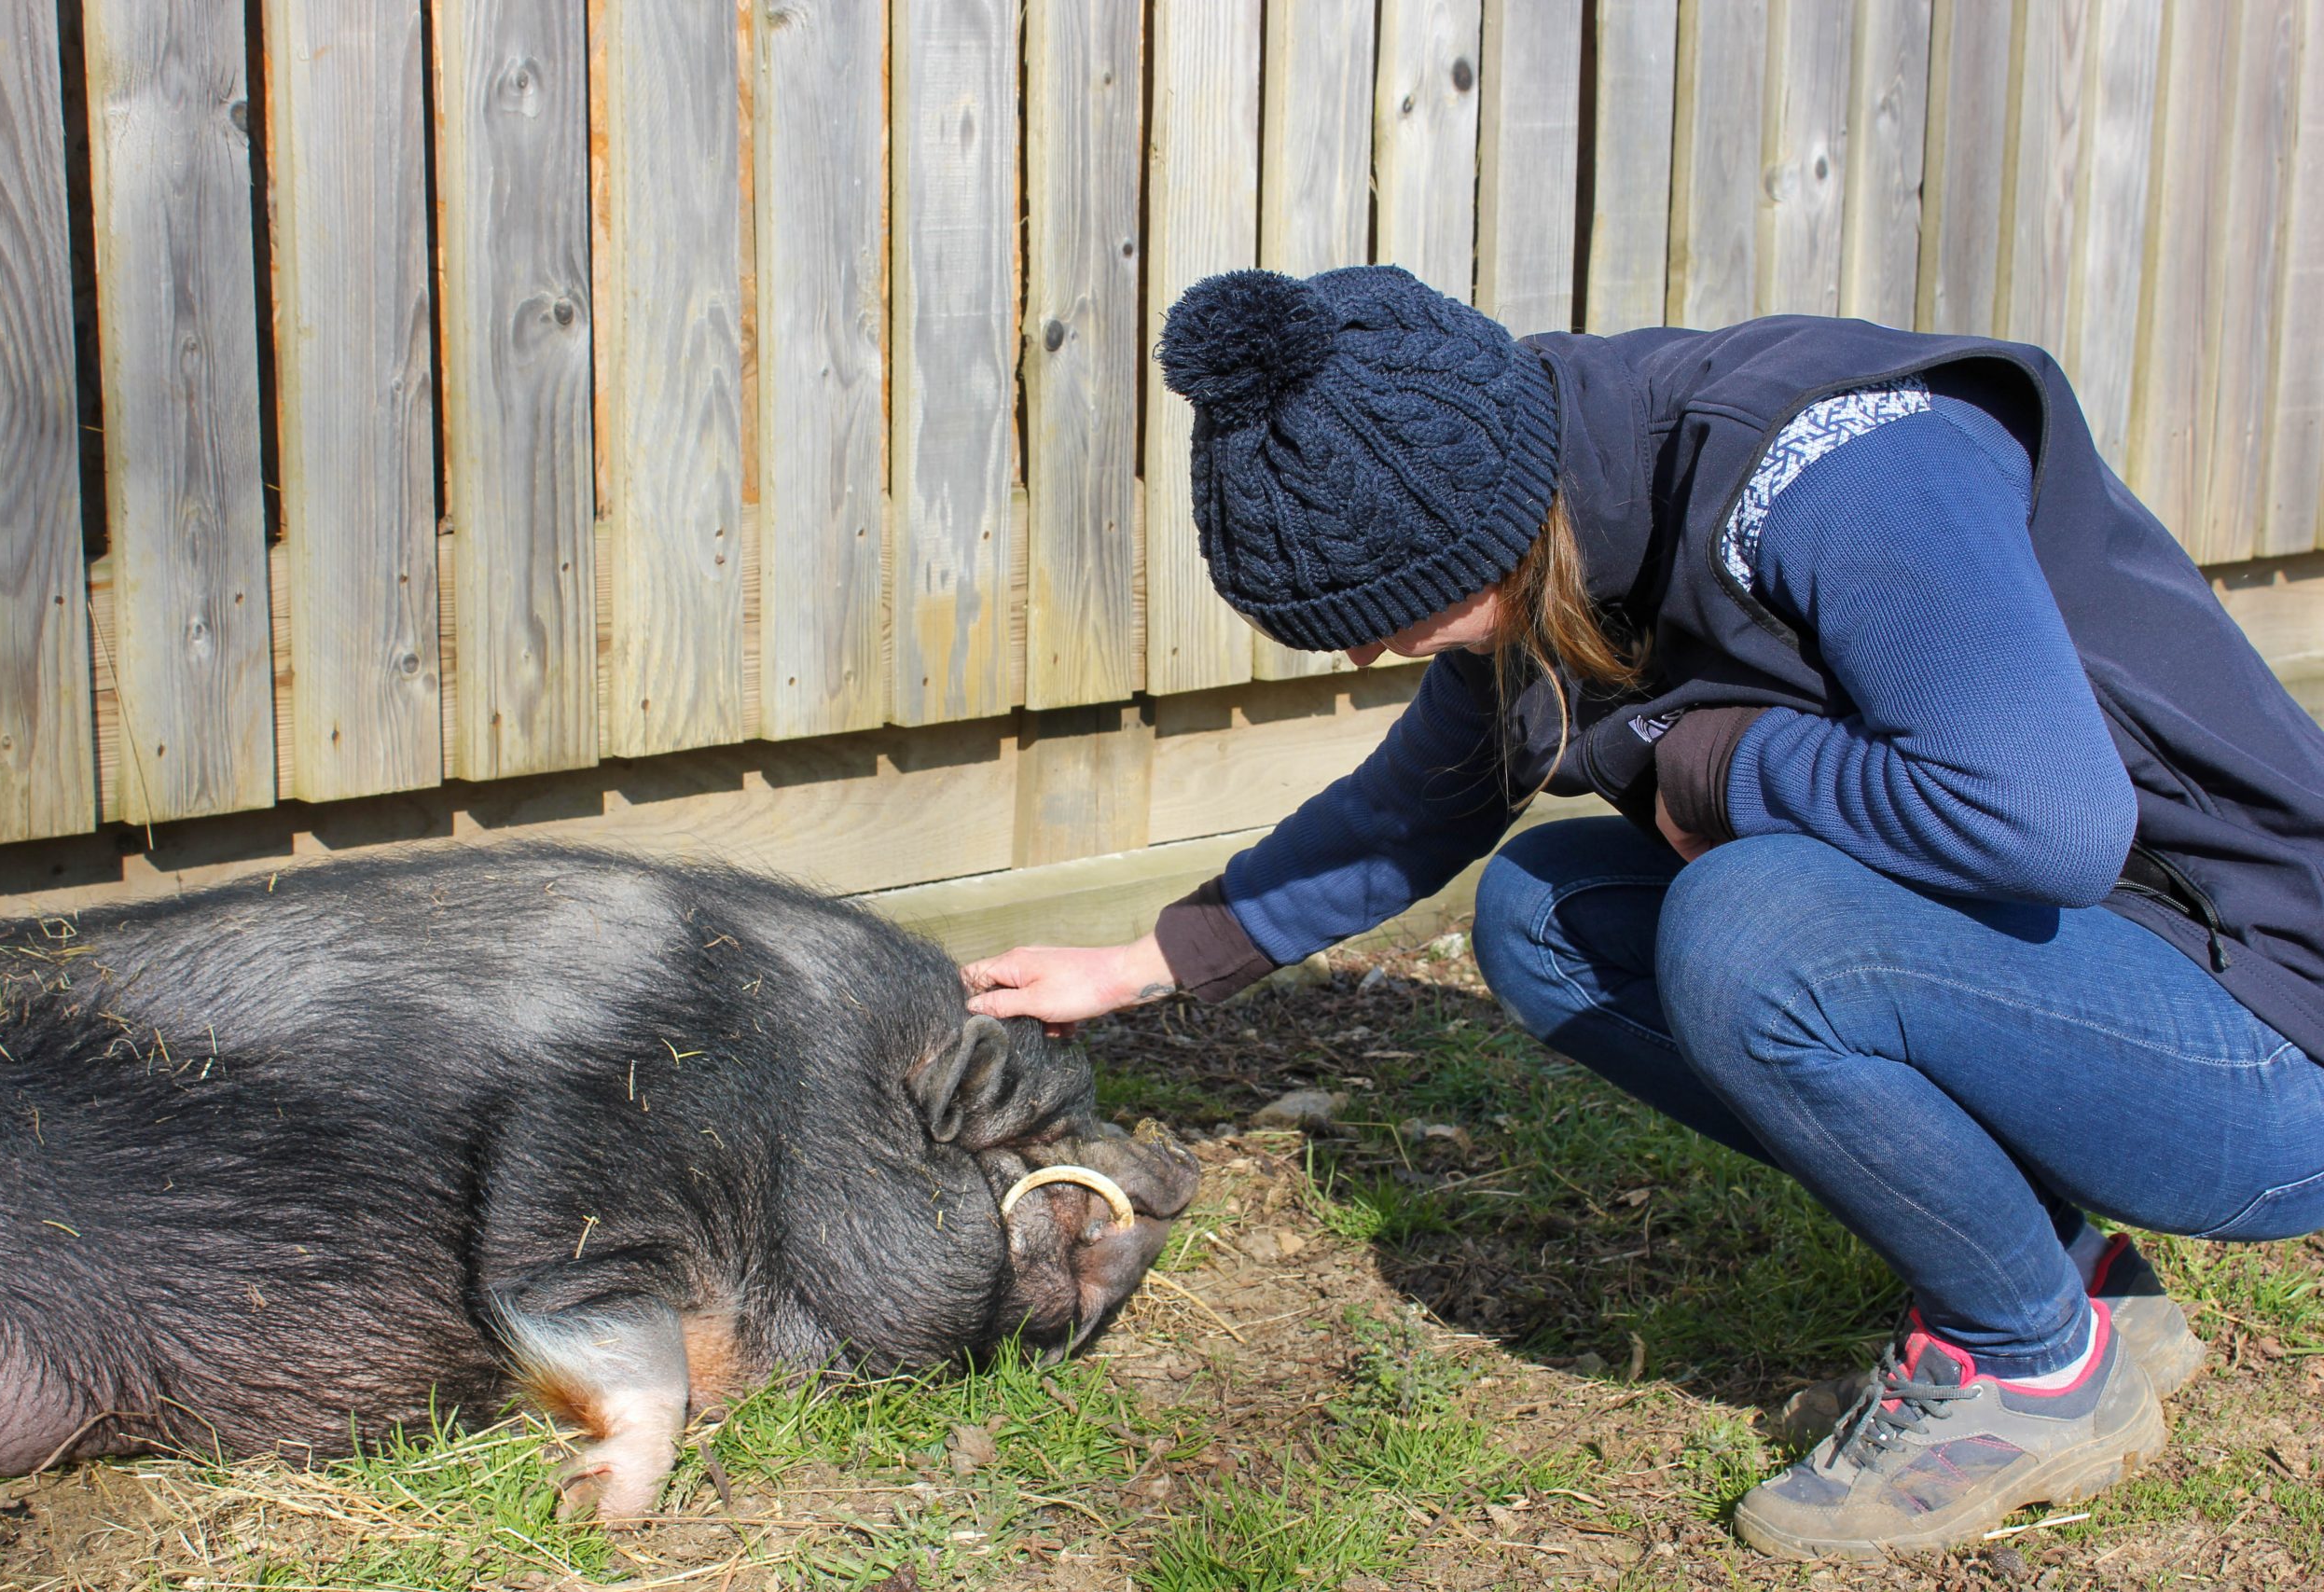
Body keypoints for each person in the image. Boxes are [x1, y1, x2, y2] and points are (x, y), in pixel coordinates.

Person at [960, 265, 2324, 1557]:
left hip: (2264, 1035)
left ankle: (2032, 1367)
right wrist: (1140, 965)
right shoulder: (1576, 518)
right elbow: (1415, 805)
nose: (1372, 653)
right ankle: (2064, 1273)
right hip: (2100, 984)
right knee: (1545, 913)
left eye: (1388, 617)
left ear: (1481, 526)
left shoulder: (1842, 473)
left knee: (1755, 928)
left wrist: (1720, 764)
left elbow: (2046, 822)